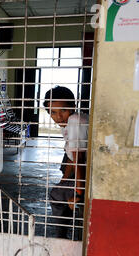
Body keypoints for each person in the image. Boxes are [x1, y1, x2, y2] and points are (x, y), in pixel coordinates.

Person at [44, 86, 88, 239]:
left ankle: (61, 236)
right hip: (81, 169)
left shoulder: (76, 121)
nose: (59, 117)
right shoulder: (68, 123)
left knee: (58, 196)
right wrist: (64, 180)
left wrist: (78, 193)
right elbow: (71, 156)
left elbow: (79, 160)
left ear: (73, 107)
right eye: (53, 112)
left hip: (89, 172)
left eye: (63, 110)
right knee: (59, 191)